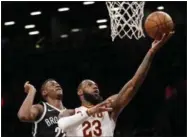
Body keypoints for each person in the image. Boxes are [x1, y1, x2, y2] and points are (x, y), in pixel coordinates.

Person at [57, 32, 174, 137]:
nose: (95, 86)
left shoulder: (109, 108)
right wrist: (90, 112)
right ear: (79, 92)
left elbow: (133, 84)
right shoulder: (71, 112)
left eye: (95, 85)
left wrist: (151, 52)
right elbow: (62, 125)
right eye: (89, 84)